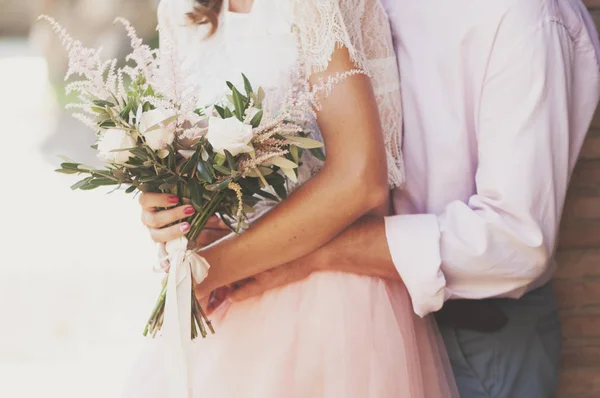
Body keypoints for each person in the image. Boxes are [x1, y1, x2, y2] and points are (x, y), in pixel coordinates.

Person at [141, 0, 600, 397]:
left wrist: (293, 257)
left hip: (476, 328)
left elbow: (517, 241)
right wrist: (185, 211)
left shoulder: (524, 19)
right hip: (282, 299)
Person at [124, 0, 458, 397]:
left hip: (323, 301)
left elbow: (360, 181)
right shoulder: (181, 9)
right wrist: (173, 217)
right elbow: (186, 164)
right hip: (224, 302)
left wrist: (212, 269)